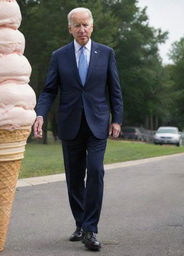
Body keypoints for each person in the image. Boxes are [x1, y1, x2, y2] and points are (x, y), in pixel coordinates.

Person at [33, 7, 123, 251]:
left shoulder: (106, 53)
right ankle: (80, 223)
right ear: (69, 28)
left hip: (97, 123)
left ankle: (91, 229)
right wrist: (40, 113)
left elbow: (114, 88)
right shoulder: (59, 56)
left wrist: (117, 119)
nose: (82, 29)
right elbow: (50, 89)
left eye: (86, 24)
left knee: (95, 171)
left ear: (92, 26)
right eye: (77, 25)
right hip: (70, 124)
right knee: (74, 178)